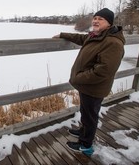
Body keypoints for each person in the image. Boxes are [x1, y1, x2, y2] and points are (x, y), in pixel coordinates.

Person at [53, 8, 125, 156]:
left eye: (101, 19)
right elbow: (81, 39)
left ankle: (85, 145)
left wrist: (78, 78)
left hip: (94, 87)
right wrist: (62, 34)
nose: (96, 21)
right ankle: (83, 131)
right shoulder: (97, 36)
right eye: (95, 18)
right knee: (86, 112)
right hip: (87, 85)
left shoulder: (112, 43)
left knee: (90, 115)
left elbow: (103, 71)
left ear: (109, 23)